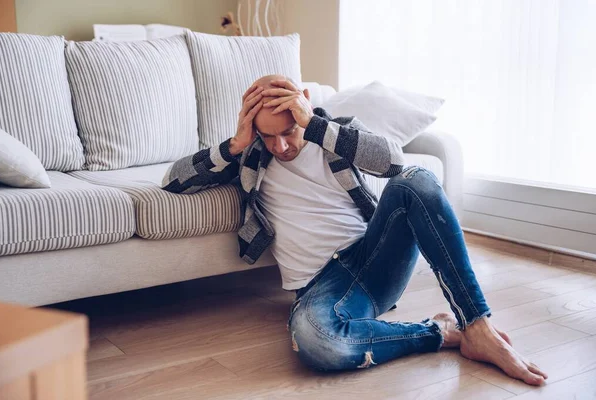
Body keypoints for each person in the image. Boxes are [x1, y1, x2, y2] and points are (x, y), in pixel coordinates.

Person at [162, 74, 548, 385]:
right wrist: (235, 144)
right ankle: (439, 333)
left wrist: (314, 125)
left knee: (417, 180)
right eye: (268, 136)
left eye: (288, 132)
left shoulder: (334, 132)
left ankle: (477, 325)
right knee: (319, 342)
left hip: (372, 257)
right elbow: (173, 180)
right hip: (320, 286)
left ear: (305, 107)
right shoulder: (250, 155)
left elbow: (395, 162)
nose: (280, 146)